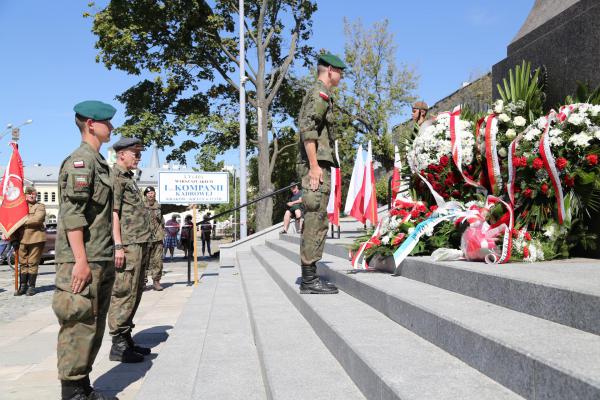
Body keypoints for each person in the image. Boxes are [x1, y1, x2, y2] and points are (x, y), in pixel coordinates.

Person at [53, 100, 118, 400]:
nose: (112, 127)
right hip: (83, 260)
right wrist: (80, 261)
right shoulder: (81, 162)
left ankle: (83, 387)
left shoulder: (98, 162)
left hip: (99, 257)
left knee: (93, 325)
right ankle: (72, 392)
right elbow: (73, 215)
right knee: (78, 325)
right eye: (108, 122)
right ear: (91, 124)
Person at [296, 52, 346, 295]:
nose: (342, 75)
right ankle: (308, 280)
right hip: (314, 167)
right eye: (339, 71)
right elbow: (308, 128)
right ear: (329, 70)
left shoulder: (321, 94)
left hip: (317, 165)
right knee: (315, 220)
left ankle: (310, 276)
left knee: (317, 219)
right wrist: (315, 167)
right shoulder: (320, 94)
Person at [107, 137, 153, 364]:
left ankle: (126, 336)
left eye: (139, 153)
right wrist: (118, 245)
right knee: (124, 290)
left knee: (136, 290)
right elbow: (113, 212)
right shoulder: (115, 177)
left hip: (140, 242)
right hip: (128, 243)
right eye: (135, 153)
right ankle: (118, 344)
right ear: (121, 154)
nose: (138, 157)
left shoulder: (128, 178)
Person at [15, 187, 46, 296]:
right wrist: (14, 239)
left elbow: (37, 219)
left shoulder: (40, 206)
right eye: (30, 194)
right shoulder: (20, 207)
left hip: (36, 238)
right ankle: (23, 286)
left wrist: (21, 221)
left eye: (34, 194)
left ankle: (31, 286)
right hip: (22, 239)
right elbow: (14, 223)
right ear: (25, 195)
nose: (32, 196)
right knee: (23, 263)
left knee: (32, 263)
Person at [143, 186, 164, 291]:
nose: (151, 195)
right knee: (144, 261)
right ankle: (143, 282)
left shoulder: (159, 205)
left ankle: (156, 281)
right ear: (145, 195)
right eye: (149, 193)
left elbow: (173, 207)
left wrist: (187, 207)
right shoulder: (140, 205)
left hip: (158, 237)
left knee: (158, 261)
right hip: (144, 238)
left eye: (152, 193)